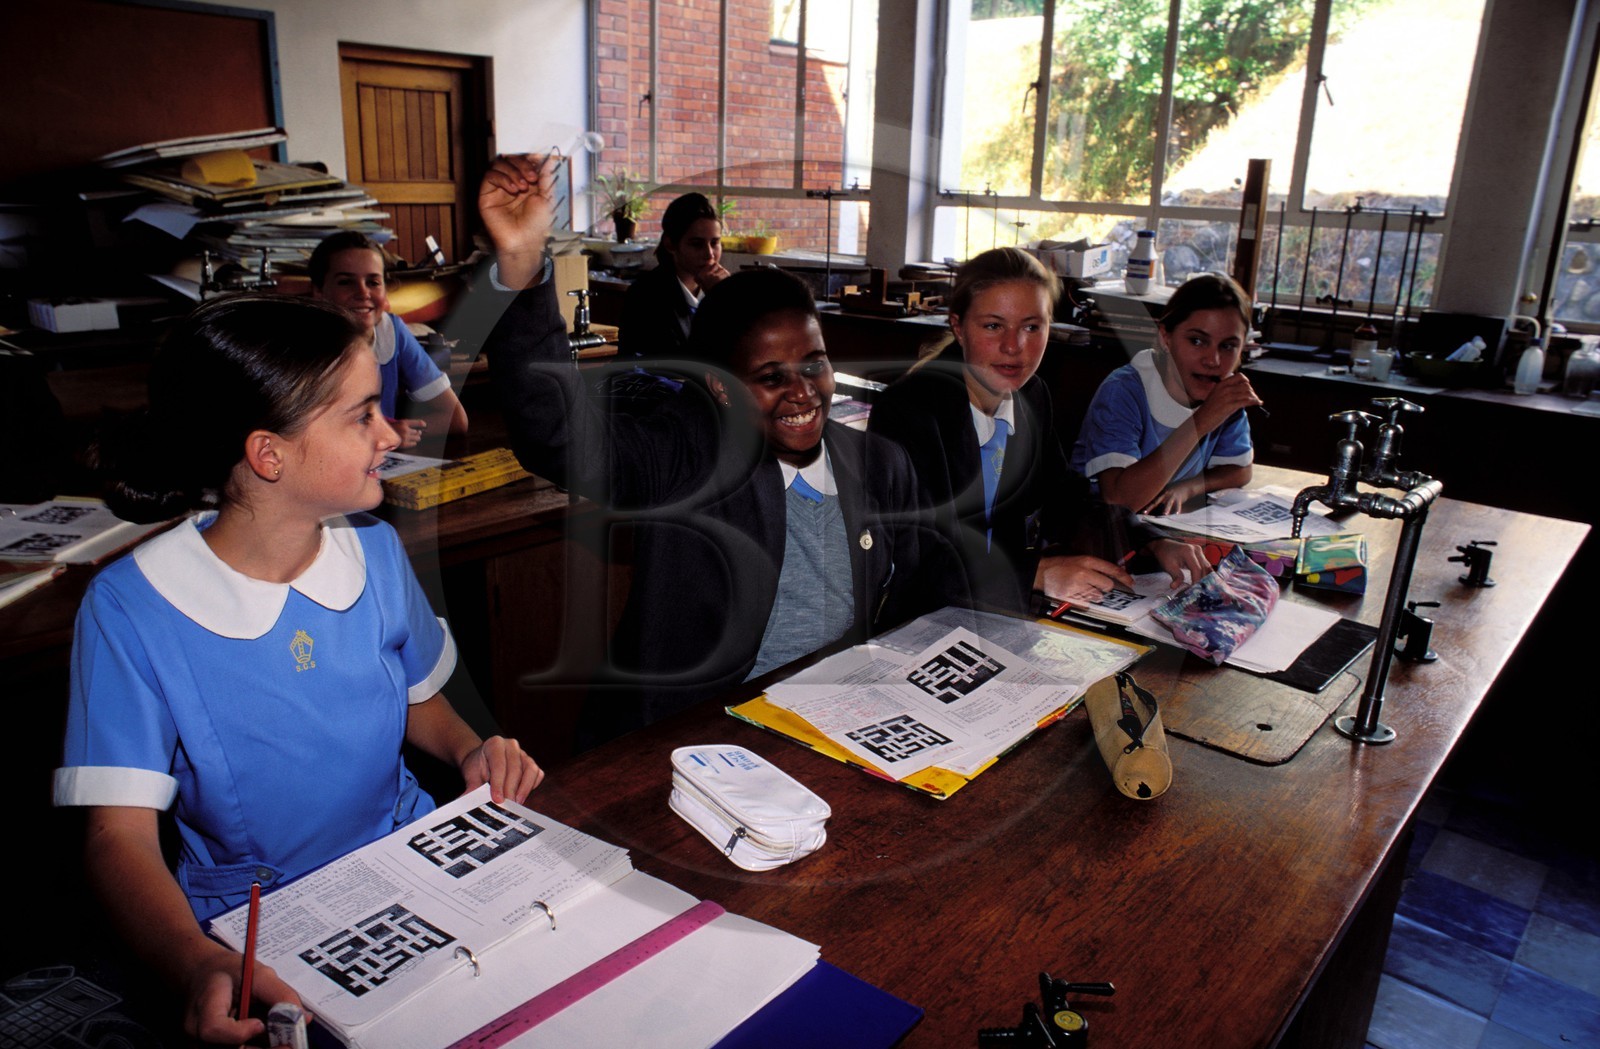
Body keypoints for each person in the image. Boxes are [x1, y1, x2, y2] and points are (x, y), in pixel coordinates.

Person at [53, 294, 543, 1046]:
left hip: (403, 862)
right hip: (260, 919)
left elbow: (419, 699)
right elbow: (116, 836)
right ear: (267, 453)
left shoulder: (374, 550)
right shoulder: (131, 609)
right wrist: (191, 959)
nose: (390, 432)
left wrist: (469, 749)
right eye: (362, 415)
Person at [477, 154, 944, 740]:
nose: (802, 392)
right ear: (721, 389)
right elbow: (559, 434)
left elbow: (920, 591)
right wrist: (524, 266)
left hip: (834, 722)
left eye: (815, 364)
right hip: (693, 739)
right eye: (771, 376)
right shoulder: (686, 460)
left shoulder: (880, 463)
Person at [869, 248, 1209, 611]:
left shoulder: (1031, 395)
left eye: (1032, 327)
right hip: (921, 621)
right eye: (993, 326)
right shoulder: (909, 412)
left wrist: (1149, 540)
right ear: (958, 327)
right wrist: (1037, 573)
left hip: (997, 612)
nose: (1014, 347)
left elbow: (1064, 498)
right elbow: (917, 562)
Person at [1071, 272, 1261, 514]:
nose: (1213, 361)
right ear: (1165, 338)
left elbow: (1240, 469)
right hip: (1094, 534)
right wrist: (1201, 422)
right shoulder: (1123, 391)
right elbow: (1118, 500)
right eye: (1197, 341)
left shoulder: (1222, 393)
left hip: (1159, 529)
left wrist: (1188, 488)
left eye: (1228, 346)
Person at [308, 230, 469, 448]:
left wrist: (393, 432)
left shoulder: (390, 330)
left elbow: (456, 419)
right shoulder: (303, 345)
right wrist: (379, 433)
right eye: (346, 282)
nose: (363, 293)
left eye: (373, 282)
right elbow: (305, 437)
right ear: (319, 292)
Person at [616, 191, 731, 360]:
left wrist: (726, 299)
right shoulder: (646, 295)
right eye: (697, 244)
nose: (709, 254)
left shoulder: (722, 287)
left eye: (715, 243)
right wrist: (718, 301)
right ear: (670, 245)